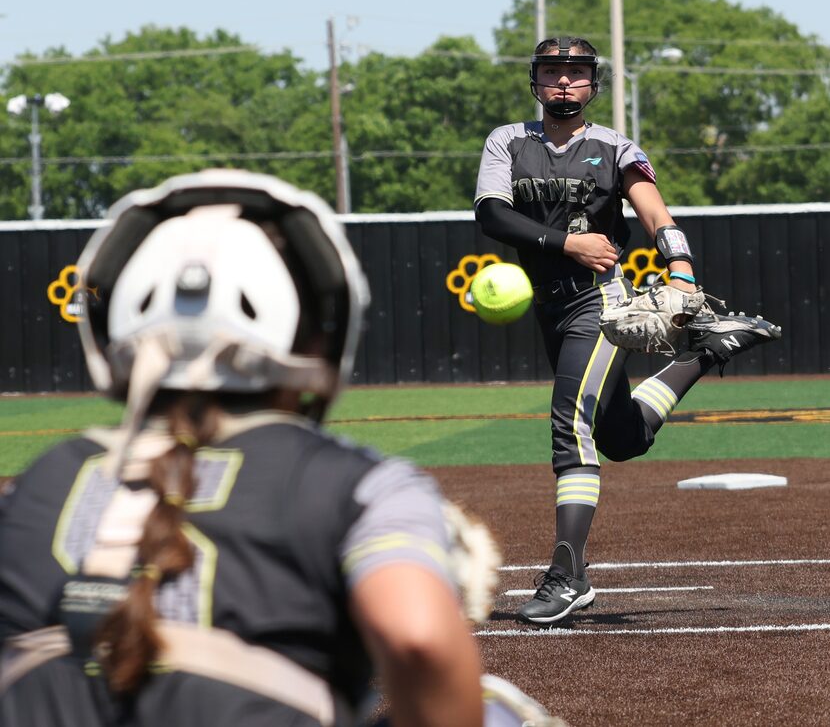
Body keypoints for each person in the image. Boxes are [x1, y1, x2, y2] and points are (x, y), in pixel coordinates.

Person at [0, 170, 562, 726]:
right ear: (315, 335)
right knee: (500, 715)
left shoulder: (35, 484)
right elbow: (418, 642)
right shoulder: (356, 486)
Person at [474, 37, 781, 626]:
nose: (564, 82)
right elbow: (491, 213)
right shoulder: (507, 140)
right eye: (552, 71)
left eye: (576, 72)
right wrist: (566, 242)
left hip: (598, 304)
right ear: (534, 81)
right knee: (622, 438)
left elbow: (657, 217)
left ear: (594, 83)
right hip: (551, 307)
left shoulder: (614, 147)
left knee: (572, 425)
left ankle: (567, 575)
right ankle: (703, 353)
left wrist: (682, 270)